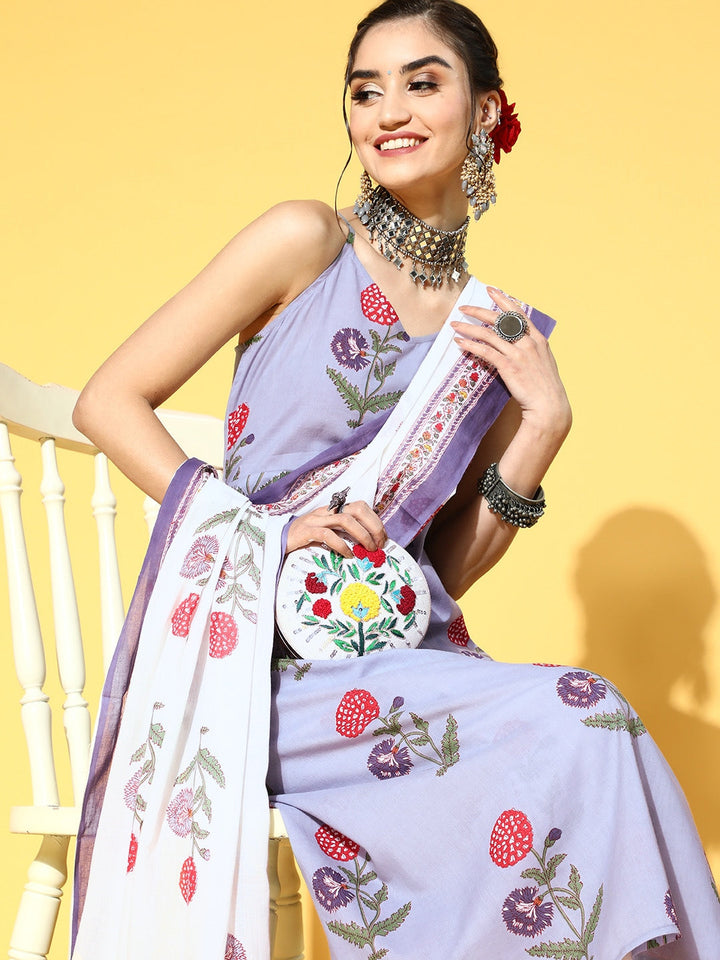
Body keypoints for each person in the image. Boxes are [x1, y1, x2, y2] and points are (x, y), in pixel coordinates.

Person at [69, 1, 719, 958]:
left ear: (487, 111)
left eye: (422, 83)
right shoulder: (304, 240)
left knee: (589, 724)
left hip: (399, 660)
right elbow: (108, 401)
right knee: (583, 716)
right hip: (253, 668)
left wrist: (542, 425)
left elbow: (438, 575)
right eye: (365, 91)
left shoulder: (491, 333)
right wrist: (264, 533)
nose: (389, 112)